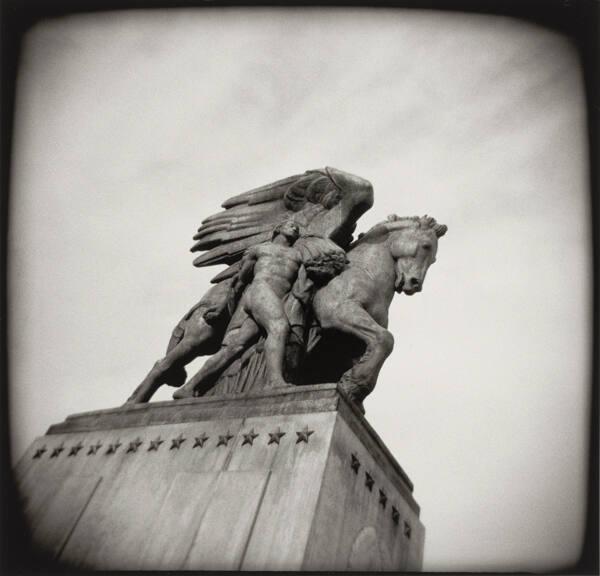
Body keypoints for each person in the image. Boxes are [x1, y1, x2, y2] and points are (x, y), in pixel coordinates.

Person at [173, 220, 303, 398]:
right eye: (289, 224)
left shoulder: (297, 255)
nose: (294, 227)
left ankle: (188, 387)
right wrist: (221, 308)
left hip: (271, 300)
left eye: (296, 227)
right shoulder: (260, 249)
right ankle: (274, 382)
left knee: (234, 347)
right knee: (279, 327)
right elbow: (240, 281)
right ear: (277, 228)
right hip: (259, 290)